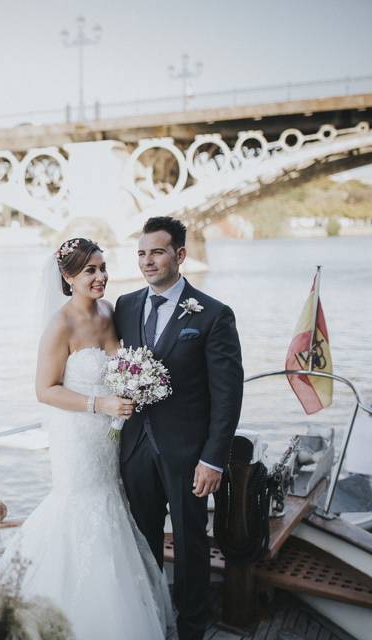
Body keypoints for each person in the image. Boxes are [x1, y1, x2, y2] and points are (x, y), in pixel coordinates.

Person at [0, 237, 175, 639]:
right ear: (67, 276)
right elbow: (45, 389)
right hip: (79, 438)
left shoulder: (111, 311)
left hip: (112, 439)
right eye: (90, 270)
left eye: (103, 268)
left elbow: (124, 368)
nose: (100, 277)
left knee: (113, 505)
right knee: (80, 507)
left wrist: (134, 388)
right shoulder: (60, 325)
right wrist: (100, 404)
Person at [113, 217, 244, 640]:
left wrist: (213, 458)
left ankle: (192, 627)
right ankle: (151, 618)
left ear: (180, 255)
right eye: (141, 253)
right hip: (134, 449)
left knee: (190, 544)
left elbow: (227, 396)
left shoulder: (213, 315)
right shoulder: (126, 305)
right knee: (143, 540)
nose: (147, 262)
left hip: (189, 455)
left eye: (157, 252)